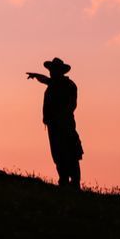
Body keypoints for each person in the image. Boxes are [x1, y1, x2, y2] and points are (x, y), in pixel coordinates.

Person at [27, 57, 83, 189]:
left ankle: (74, 182)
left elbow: (72, 105)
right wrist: (36, 76)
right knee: (58, 153)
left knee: (70, 152)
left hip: (64, 124)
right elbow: (45, 79)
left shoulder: (68, 85)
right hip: (55, 124)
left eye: (53, 70)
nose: (51, 72)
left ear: (60, 71)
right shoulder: (55, 83)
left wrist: (61, 117)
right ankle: (64, 181)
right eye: (51, 70)